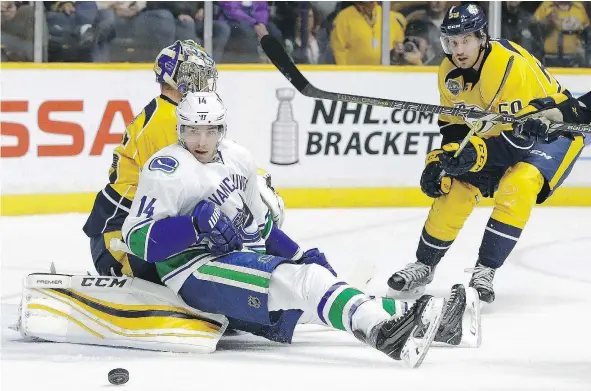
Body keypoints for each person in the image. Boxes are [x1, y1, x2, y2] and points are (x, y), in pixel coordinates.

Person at [115, 90, 480, 366]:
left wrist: (299, 254)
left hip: (233, 261)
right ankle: (384, 336)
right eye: (192, 130)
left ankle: (440, 324)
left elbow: (260, 225)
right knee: (305, 284)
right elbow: (135, 240)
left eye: (210, 130)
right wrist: (191, 227)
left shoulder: (239, 159)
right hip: (192, 272)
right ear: (180, 129)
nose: (201, 141)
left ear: (222, 129)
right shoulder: (167, 168)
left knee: (311, 292)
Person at [387, 4, 588, 304]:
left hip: (553, 132)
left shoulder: (508, 66)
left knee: (519, 183)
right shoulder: (448, 71)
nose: (458, 49)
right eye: (452, 42)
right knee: (455, 185)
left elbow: (518, 144)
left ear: (482, 37)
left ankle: (485, 270)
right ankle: (424, 265)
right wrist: (444, 161)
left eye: (465, 40)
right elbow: (454, 129)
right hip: (508, 132)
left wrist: (477, 154)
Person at [82, 40, 284, 285]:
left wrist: (254, 177)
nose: (203, 82)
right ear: (175, 77)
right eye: (195, 74)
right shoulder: (166, 121)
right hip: (119, 243)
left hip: (128, 232)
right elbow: (209, 179)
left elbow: (222, 163)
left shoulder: (177, 115)